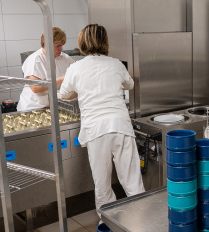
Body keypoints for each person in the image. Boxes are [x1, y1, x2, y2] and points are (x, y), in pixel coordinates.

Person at [58, 24, 145, 210]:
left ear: (82, 43)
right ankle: (141, 219)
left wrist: (82, 90)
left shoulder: (75, 68)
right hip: (120, 126)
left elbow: (64, 94)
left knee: (102, 184)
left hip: (96, 130)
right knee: (132, 181)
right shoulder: (116, 63)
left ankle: (106, 222)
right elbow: (129, 85)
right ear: (105, 42)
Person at [18, 27, 73, 111]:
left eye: (62, 45)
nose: (61, 49)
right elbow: (35, 87)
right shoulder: (35, 60)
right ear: (45, 44)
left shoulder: (65, 58)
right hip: (34, 107)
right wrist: (61, 79)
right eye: (58, 46)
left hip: (55, 106)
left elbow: (76, 73)